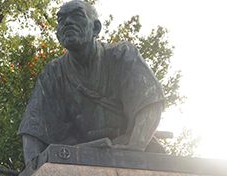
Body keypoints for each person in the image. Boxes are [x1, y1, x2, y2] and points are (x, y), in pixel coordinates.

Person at [18, 0, 165, 166]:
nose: (67, 22)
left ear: (95, 28)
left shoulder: (122, 55)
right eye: (61, 19)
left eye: (77, 16)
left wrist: (135, 147)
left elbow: (150, 102)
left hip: (127, 145)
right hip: (81, 153)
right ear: (58, 33)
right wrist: (32, 167)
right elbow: (34, 127)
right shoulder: (53, 73)